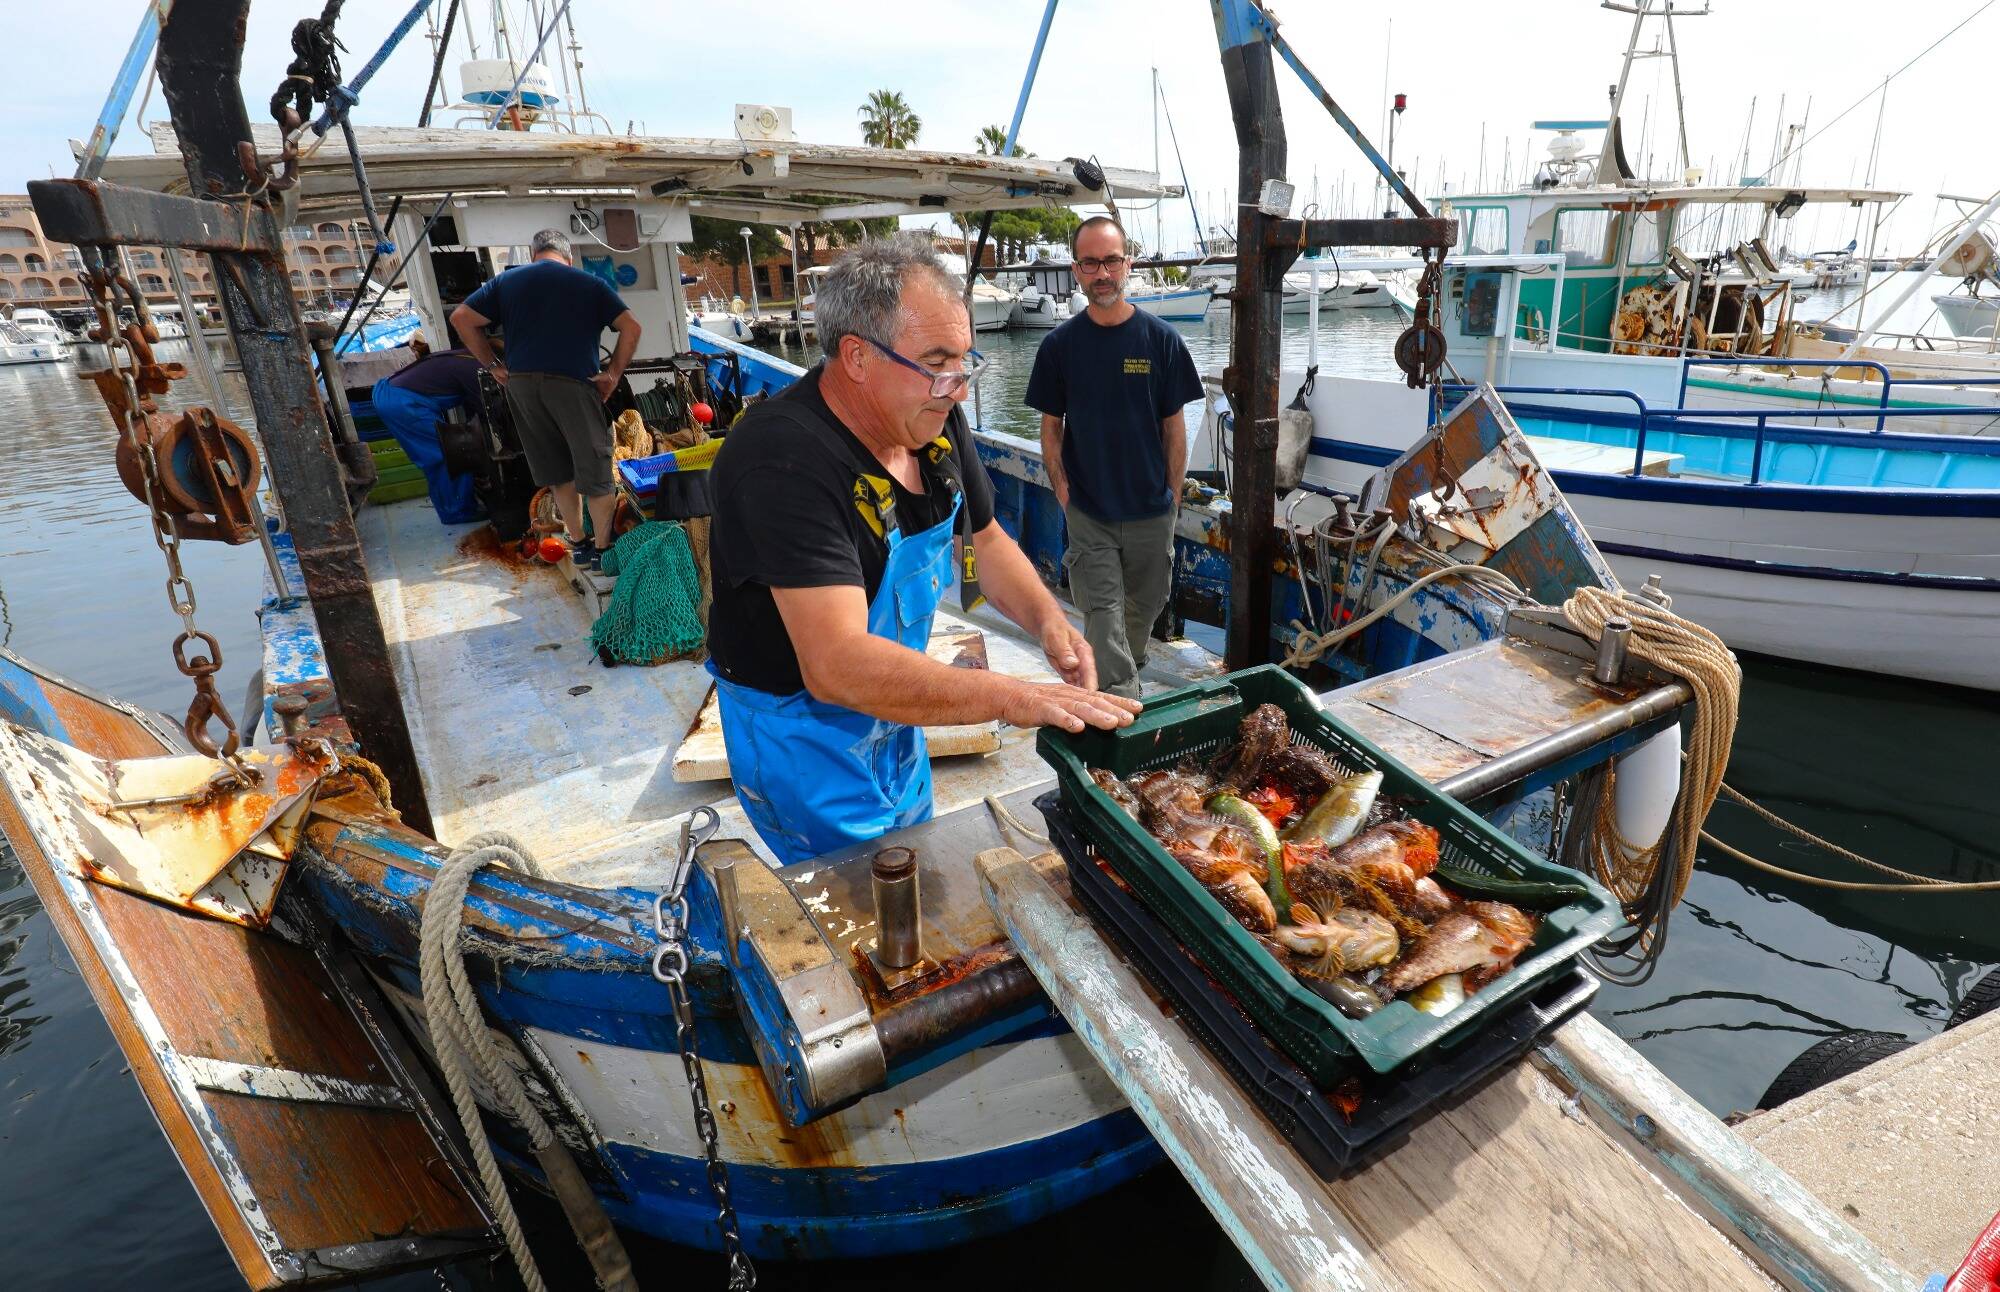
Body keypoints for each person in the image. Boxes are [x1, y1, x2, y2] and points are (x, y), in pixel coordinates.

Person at [707, 234, 1140, 863]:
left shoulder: (933, 422)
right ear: (856, 356)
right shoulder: (781, 461)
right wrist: (1011, 697)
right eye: (938, 363)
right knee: (863, 900)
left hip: (895, 706)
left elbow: (985, 540)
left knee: (916, 853)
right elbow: (835, 664)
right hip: (803, 732)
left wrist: (1050, 623)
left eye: (964, 363)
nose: (957, 387)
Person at [1025, 215, 1203, 698]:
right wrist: (1063, 492)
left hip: (1151, 507)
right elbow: (1050, 426)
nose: (1101, 273)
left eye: (1110, 261)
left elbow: (1174, 427)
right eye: (1090, 263)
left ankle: (1126, 669)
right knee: (1102, 614)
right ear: (1077, 270)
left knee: (1146, 604)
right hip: (1089, 510)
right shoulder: (1059, 346)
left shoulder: (1162, 340)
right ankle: (1121, 705)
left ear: (1127, 264)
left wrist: (1172, 497)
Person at [450, 230, 642, 569]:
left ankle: (579, 544)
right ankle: (602, 551)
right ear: (568, 258)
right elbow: (632, 327)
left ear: (533, 252)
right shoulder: (588, 283)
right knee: (595, 469)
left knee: (557, 470)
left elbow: (461, 318)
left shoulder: (507, 282)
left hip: (522, 386)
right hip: (573, 383)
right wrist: (612, 375)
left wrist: (494, 366)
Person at [369, 341, 487, 524]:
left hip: (389, 392)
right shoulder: (477, 368)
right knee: (449, 453)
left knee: (438, 455)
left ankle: (453, 507)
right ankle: (457, 512)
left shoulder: (465, 355)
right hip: (403, 402)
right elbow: (485, 411)